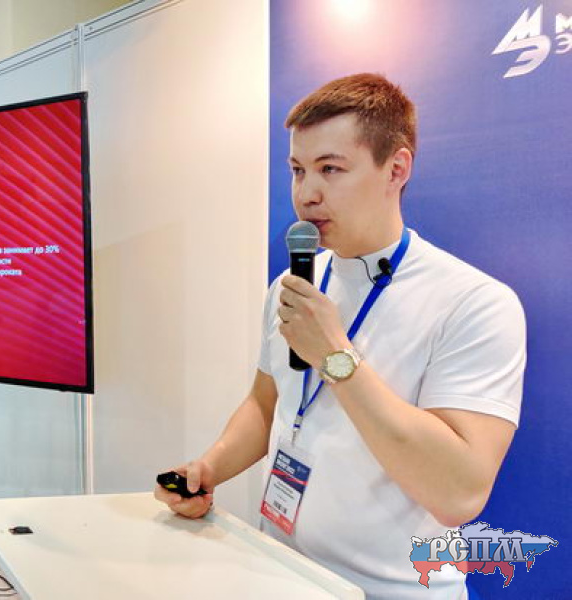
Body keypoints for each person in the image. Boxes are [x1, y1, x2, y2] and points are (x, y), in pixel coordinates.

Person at [154, 73, 526, 600]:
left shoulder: (474, 302)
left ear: (396, 169)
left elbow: (459, 494)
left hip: (394, 590)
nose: (307, 194)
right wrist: (209, 468)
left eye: (331, 169)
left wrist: (334, 355)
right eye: (298, 170)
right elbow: (266, 403)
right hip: (282, 573)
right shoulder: (293, 285)